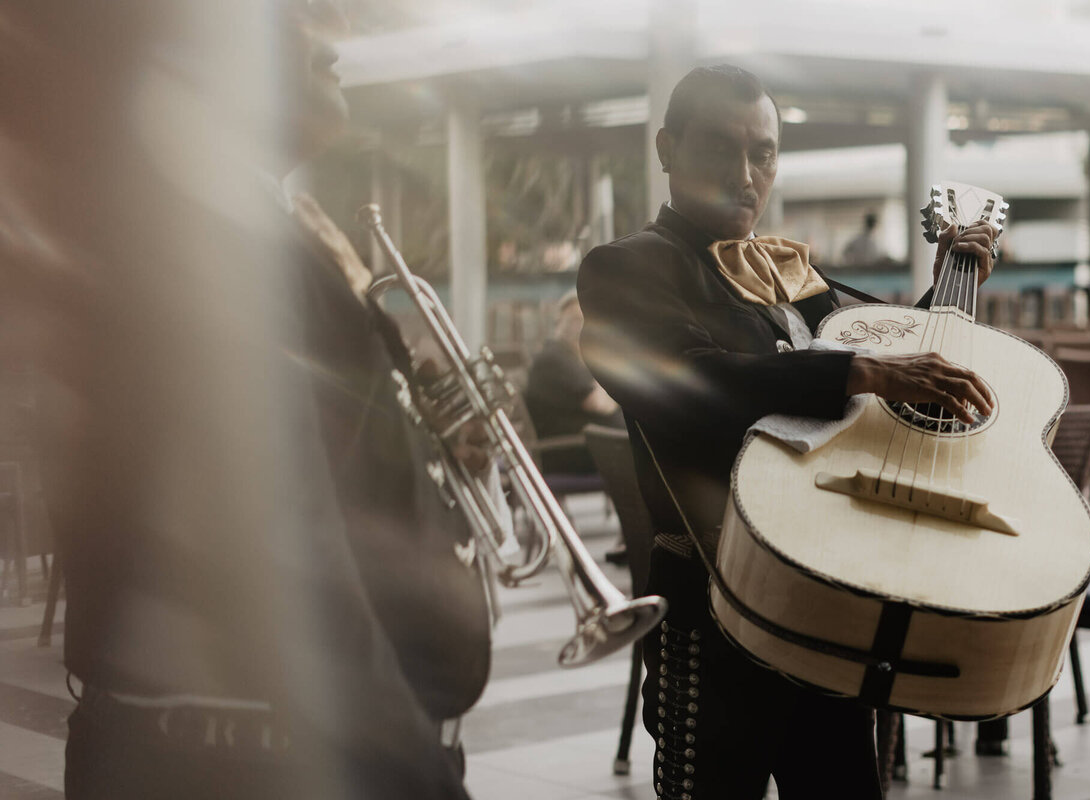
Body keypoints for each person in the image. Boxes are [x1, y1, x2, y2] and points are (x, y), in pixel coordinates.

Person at [5, 2, 490, 797]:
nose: (332, 24)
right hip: (246, 754)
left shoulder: (257, 224)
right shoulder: (180, 233)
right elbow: (279, 536)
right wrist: (418, 769)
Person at [577, 64, 997, 800]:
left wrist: (950, 291)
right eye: (719, 149)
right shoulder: (624, 269)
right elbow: (690, 383)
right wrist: (859, 371)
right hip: (711, 610)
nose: (745, 174)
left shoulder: (791, 276)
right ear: (667, 147)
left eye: (763, 153)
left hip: (828, 599)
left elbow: (878, 360)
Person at [523, 291, 624, 474]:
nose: (579, 327)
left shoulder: (572, 359)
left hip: (594, 448)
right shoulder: (554, 358)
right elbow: (599, 403)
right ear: (558, 323)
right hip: (570, 452)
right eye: (573, 320)